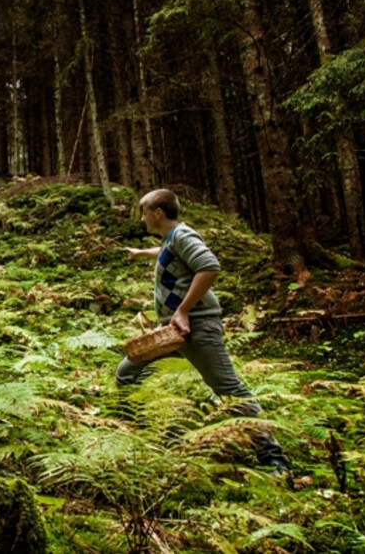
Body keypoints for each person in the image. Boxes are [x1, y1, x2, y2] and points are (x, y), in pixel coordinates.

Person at [120, 189, 289, 473]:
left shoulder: (183, 235)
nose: (141, 218)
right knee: (127, 372)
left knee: (229, 390)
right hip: (172, 332)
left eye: (144, 211)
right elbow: (167, 252)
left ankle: (273, 458)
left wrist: (183, 310)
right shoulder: (171, 239)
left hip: (197, 326)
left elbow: (209, 267)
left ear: (158, 213)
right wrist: (141, 254)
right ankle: (145, 438)